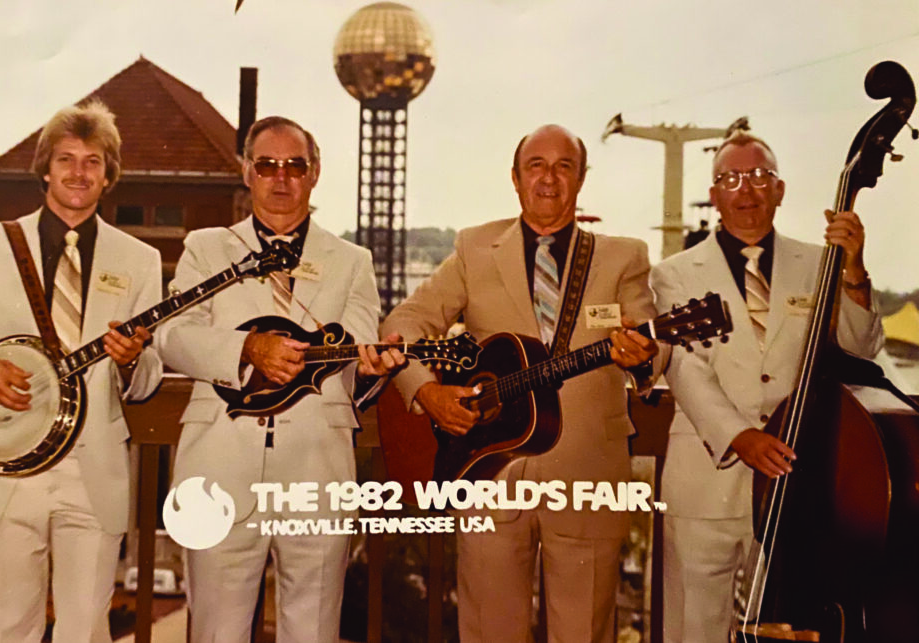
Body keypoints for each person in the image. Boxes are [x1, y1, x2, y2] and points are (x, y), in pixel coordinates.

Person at [380, 124, 665, 643]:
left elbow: (651, 347)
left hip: (587, 475)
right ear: (515, 178)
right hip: (489, 472)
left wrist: (644, 355)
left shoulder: (625, 256)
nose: (549, 179)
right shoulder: (474, 247)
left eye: (563, 166)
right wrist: (426, 391)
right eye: (536, 165)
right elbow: (404, 323)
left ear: (581, 179)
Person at [0, 100, 164, 642]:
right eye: (66, 159)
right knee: (6, 630)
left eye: (92, 161)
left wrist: (132, 362)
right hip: (5, 470)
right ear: (45, 169)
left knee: (86, 631)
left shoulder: (139, 260)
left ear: (108, 174)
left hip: (92, 472)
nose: (79, 172)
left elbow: (148, 379)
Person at [156, 115, 404, 642]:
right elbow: (172, 335)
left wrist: (369, 363)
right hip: (218, 470)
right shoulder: (207, 248)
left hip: (317, 472)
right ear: (247, 172)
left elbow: (357, 346)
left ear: (314, 174)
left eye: (295, 165)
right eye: (267, 165)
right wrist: (246, 348)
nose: (281, 177)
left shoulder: (351, 261)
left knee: (313, 633)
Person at [649, 132, 883, 643]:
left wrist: (856, 272)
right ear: (714, 195)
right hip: (705, 480)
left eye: (759, 176)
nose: (746, 190)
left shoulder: (822, 263)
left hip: (793, 485)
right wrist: (740, 436)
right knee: (694, 629)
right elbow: (685, 369)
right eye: (730, 178)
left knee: (780, 630)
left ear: (780, 189)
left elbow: (861, 351)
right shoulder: (673, 274)